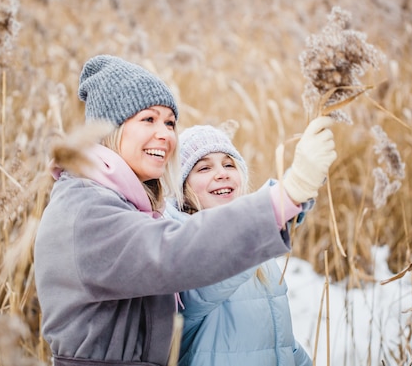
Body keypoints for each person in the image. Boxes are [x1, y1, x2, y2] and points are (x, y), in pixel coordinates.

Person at [33, 54, 336, 366]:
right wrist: (286, 195)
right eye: (148, 119)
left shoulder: (122, 204)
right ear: (109, 129)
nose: (165, 134)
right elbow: (173, 251)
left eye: (170, 122)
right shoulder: (85, 208)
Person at [168, 122, 313, 366]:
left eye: (229, 164)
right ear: (181, 187)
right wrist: (281, 201)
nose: (222, 173)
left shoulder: (262, 257)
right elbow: (207, 284)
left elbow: (278, 338)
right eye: (204, 168)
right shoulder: (180, 247)